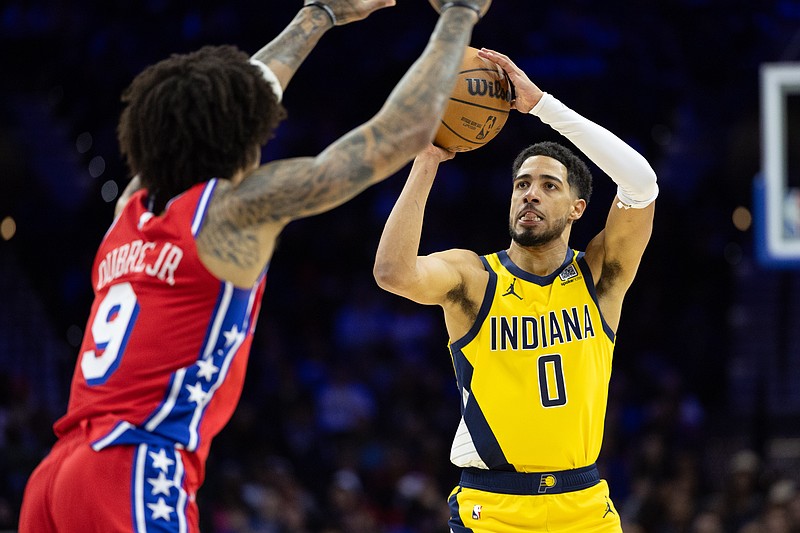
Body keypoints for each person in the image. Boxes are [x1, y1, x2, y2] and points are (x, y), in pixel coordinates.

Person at [18, 0, 493, 530]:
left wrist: (318, 15)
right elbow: (396, 135)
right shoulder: (233, 213)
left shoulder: (132, 206)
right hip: (134, 461)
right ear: (236, 134)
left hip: (59, 469)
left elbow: (237, 98)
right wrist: (460, 14)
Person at [373, 47, 658, 533]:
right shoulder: (474, 278)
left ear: (577, 208)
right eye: (522, 183)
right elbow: (392, 273)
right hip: (494, 509)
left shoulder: (600, 276)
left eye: (550, 185)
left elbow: (642, 184)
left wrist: (543, 106)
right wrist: (427, 160)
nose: (530, 192)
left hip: (584, 506)